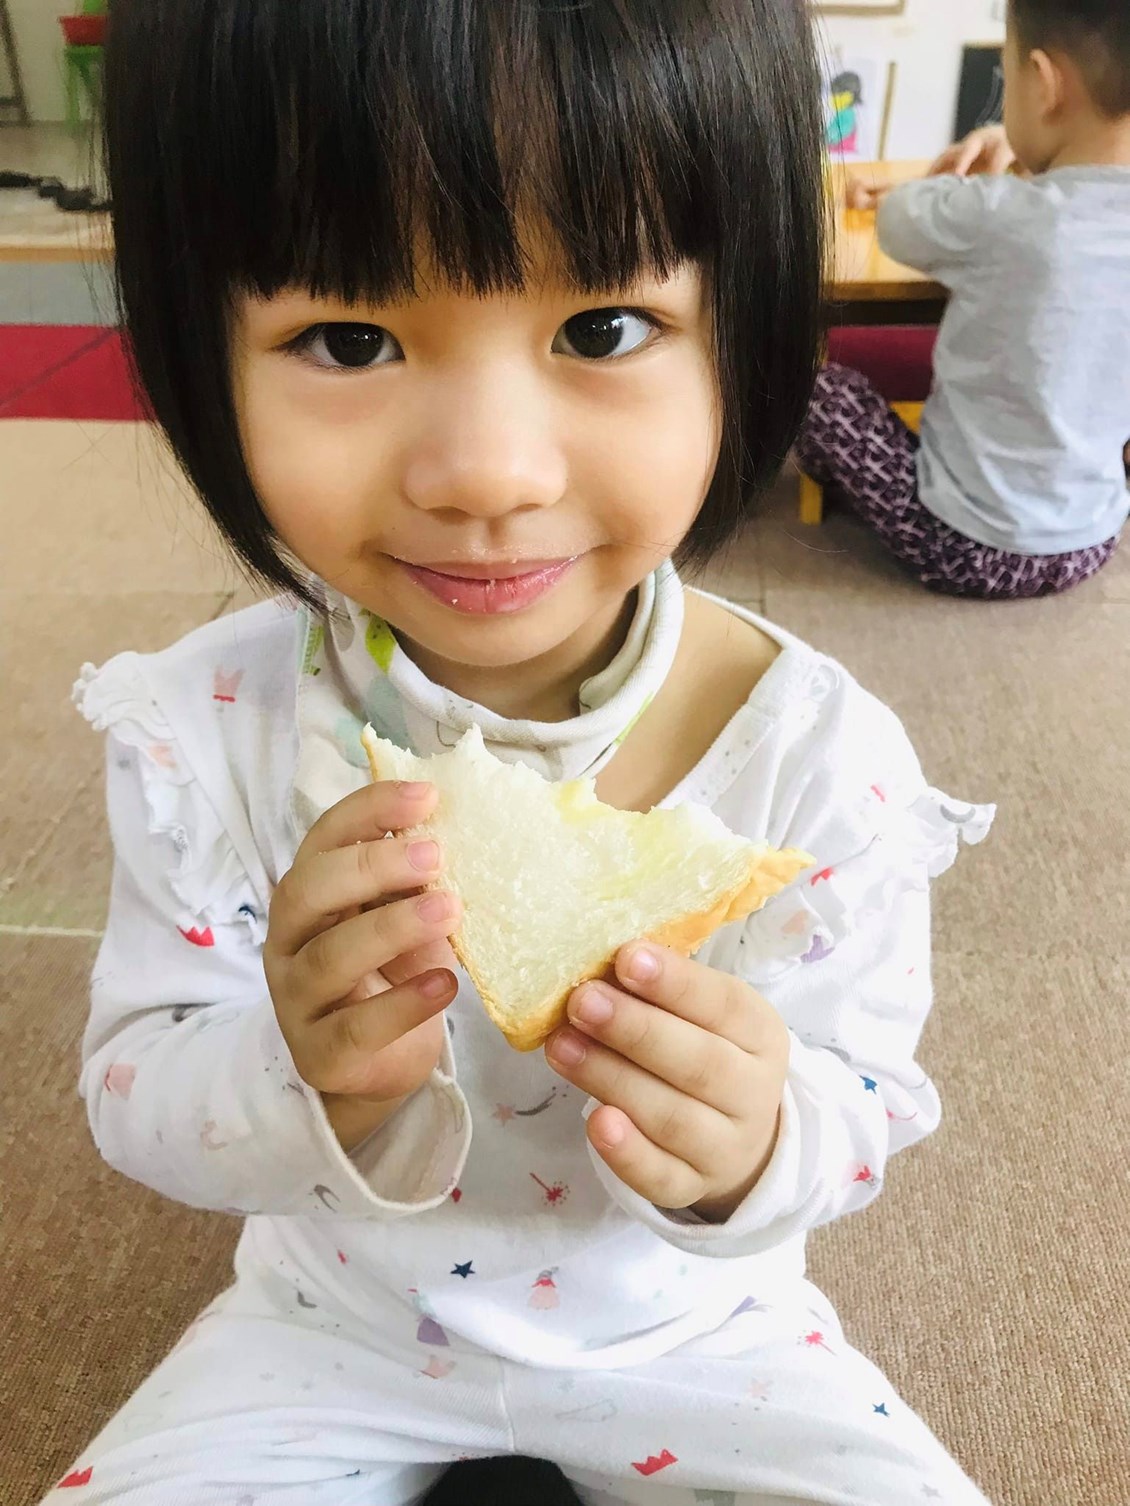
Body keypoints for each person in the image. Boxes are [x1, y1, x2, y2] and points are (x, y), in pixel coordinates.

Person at [43, 2, 996, 1502]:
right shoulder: (206, 731)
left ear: (743, 323)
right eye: (348, 338)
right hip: (329, 1325)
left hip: (700, 1332)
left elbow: (866, 1101)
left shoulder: (814, 757)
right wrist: (302, 1070)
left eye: (601, 329)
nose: (486, 472)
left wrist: (761, 1137)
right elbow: (135, 1086)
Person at [798, 0, 1130, 600]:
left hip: (963, 548)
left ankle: (826, 475)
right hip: (1094, 536)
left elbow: (899, 220)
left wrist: (953, 178)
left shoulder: (1005, 215)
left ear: (1044, 84)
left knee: (818, 389)